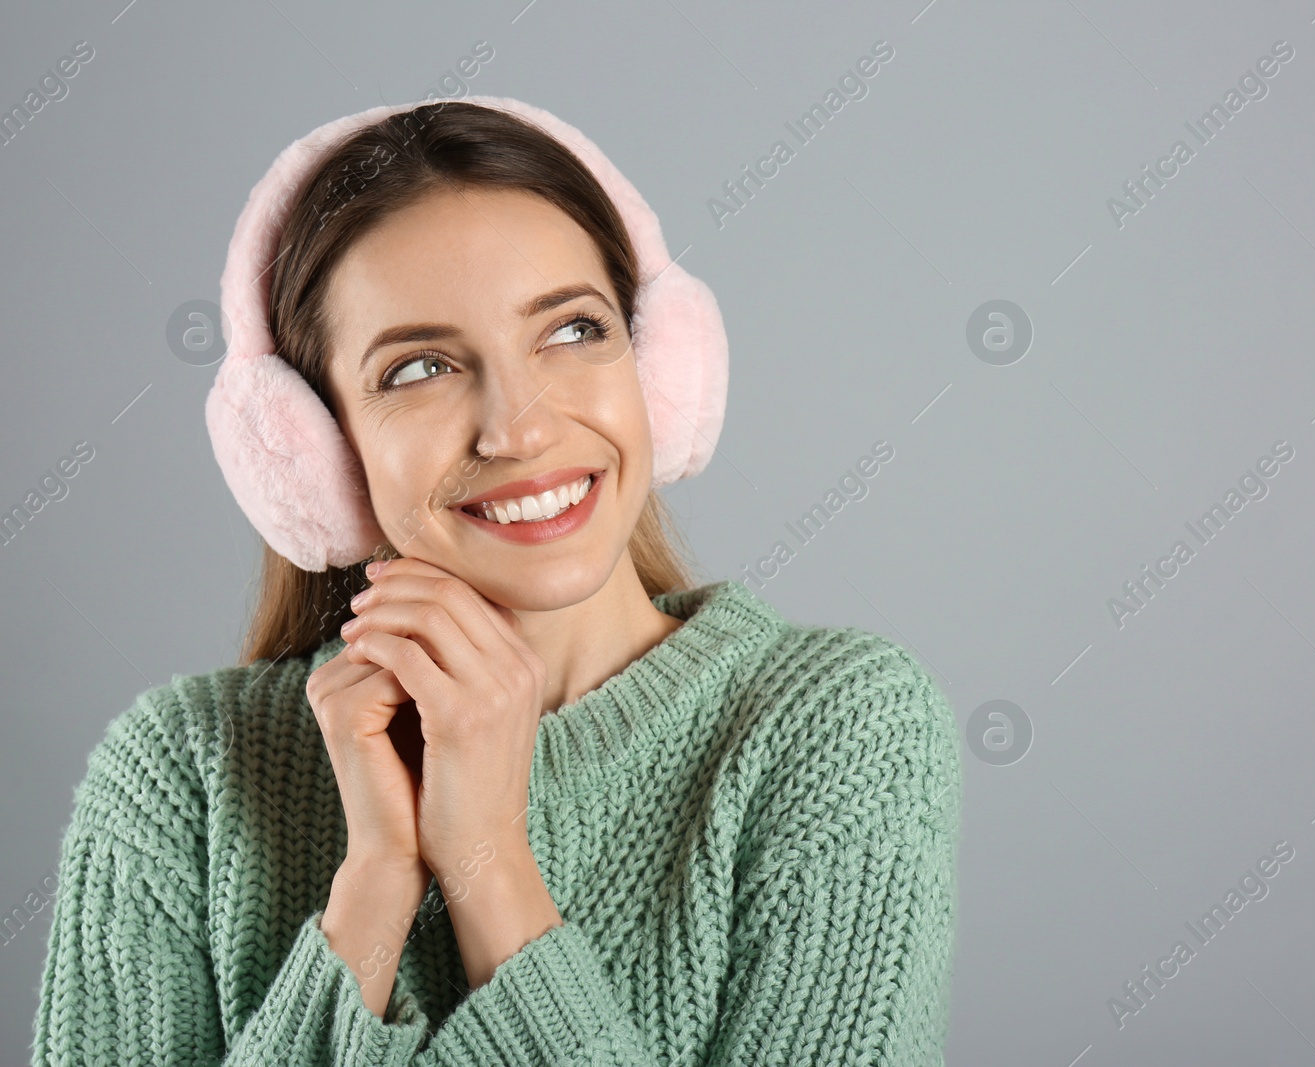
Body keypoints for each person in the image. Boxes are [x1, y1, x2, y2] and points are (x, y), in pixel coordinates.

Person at [30, 98, 962, 1066]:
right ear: (310, 449)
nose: (517, 427)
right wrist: (374, 888)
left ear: (656, 364)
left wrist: (487, 857)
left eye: (571, 330)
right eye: (419, 366)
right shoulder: (185, 769)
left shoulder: (834, 722)